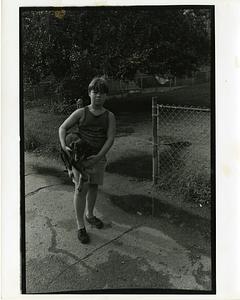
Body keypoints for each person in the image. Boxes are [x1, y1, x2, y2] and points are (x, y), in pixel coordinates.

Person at [59, 77, 116, 244]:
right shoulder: (81, 112)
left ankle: (90, 215)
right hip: (80, 160)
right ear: (89, 93)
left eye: (102, 93)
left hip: (98, 159)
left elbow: (110, 139)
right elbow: (62, 128)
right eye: (95, 92)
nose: (98, 96)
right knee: (80, 190)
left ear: (106, 96)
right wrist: (64, 146)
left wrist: (98, 157)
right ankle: (80, 226)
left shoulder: (109, 116)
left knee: (93, 187)